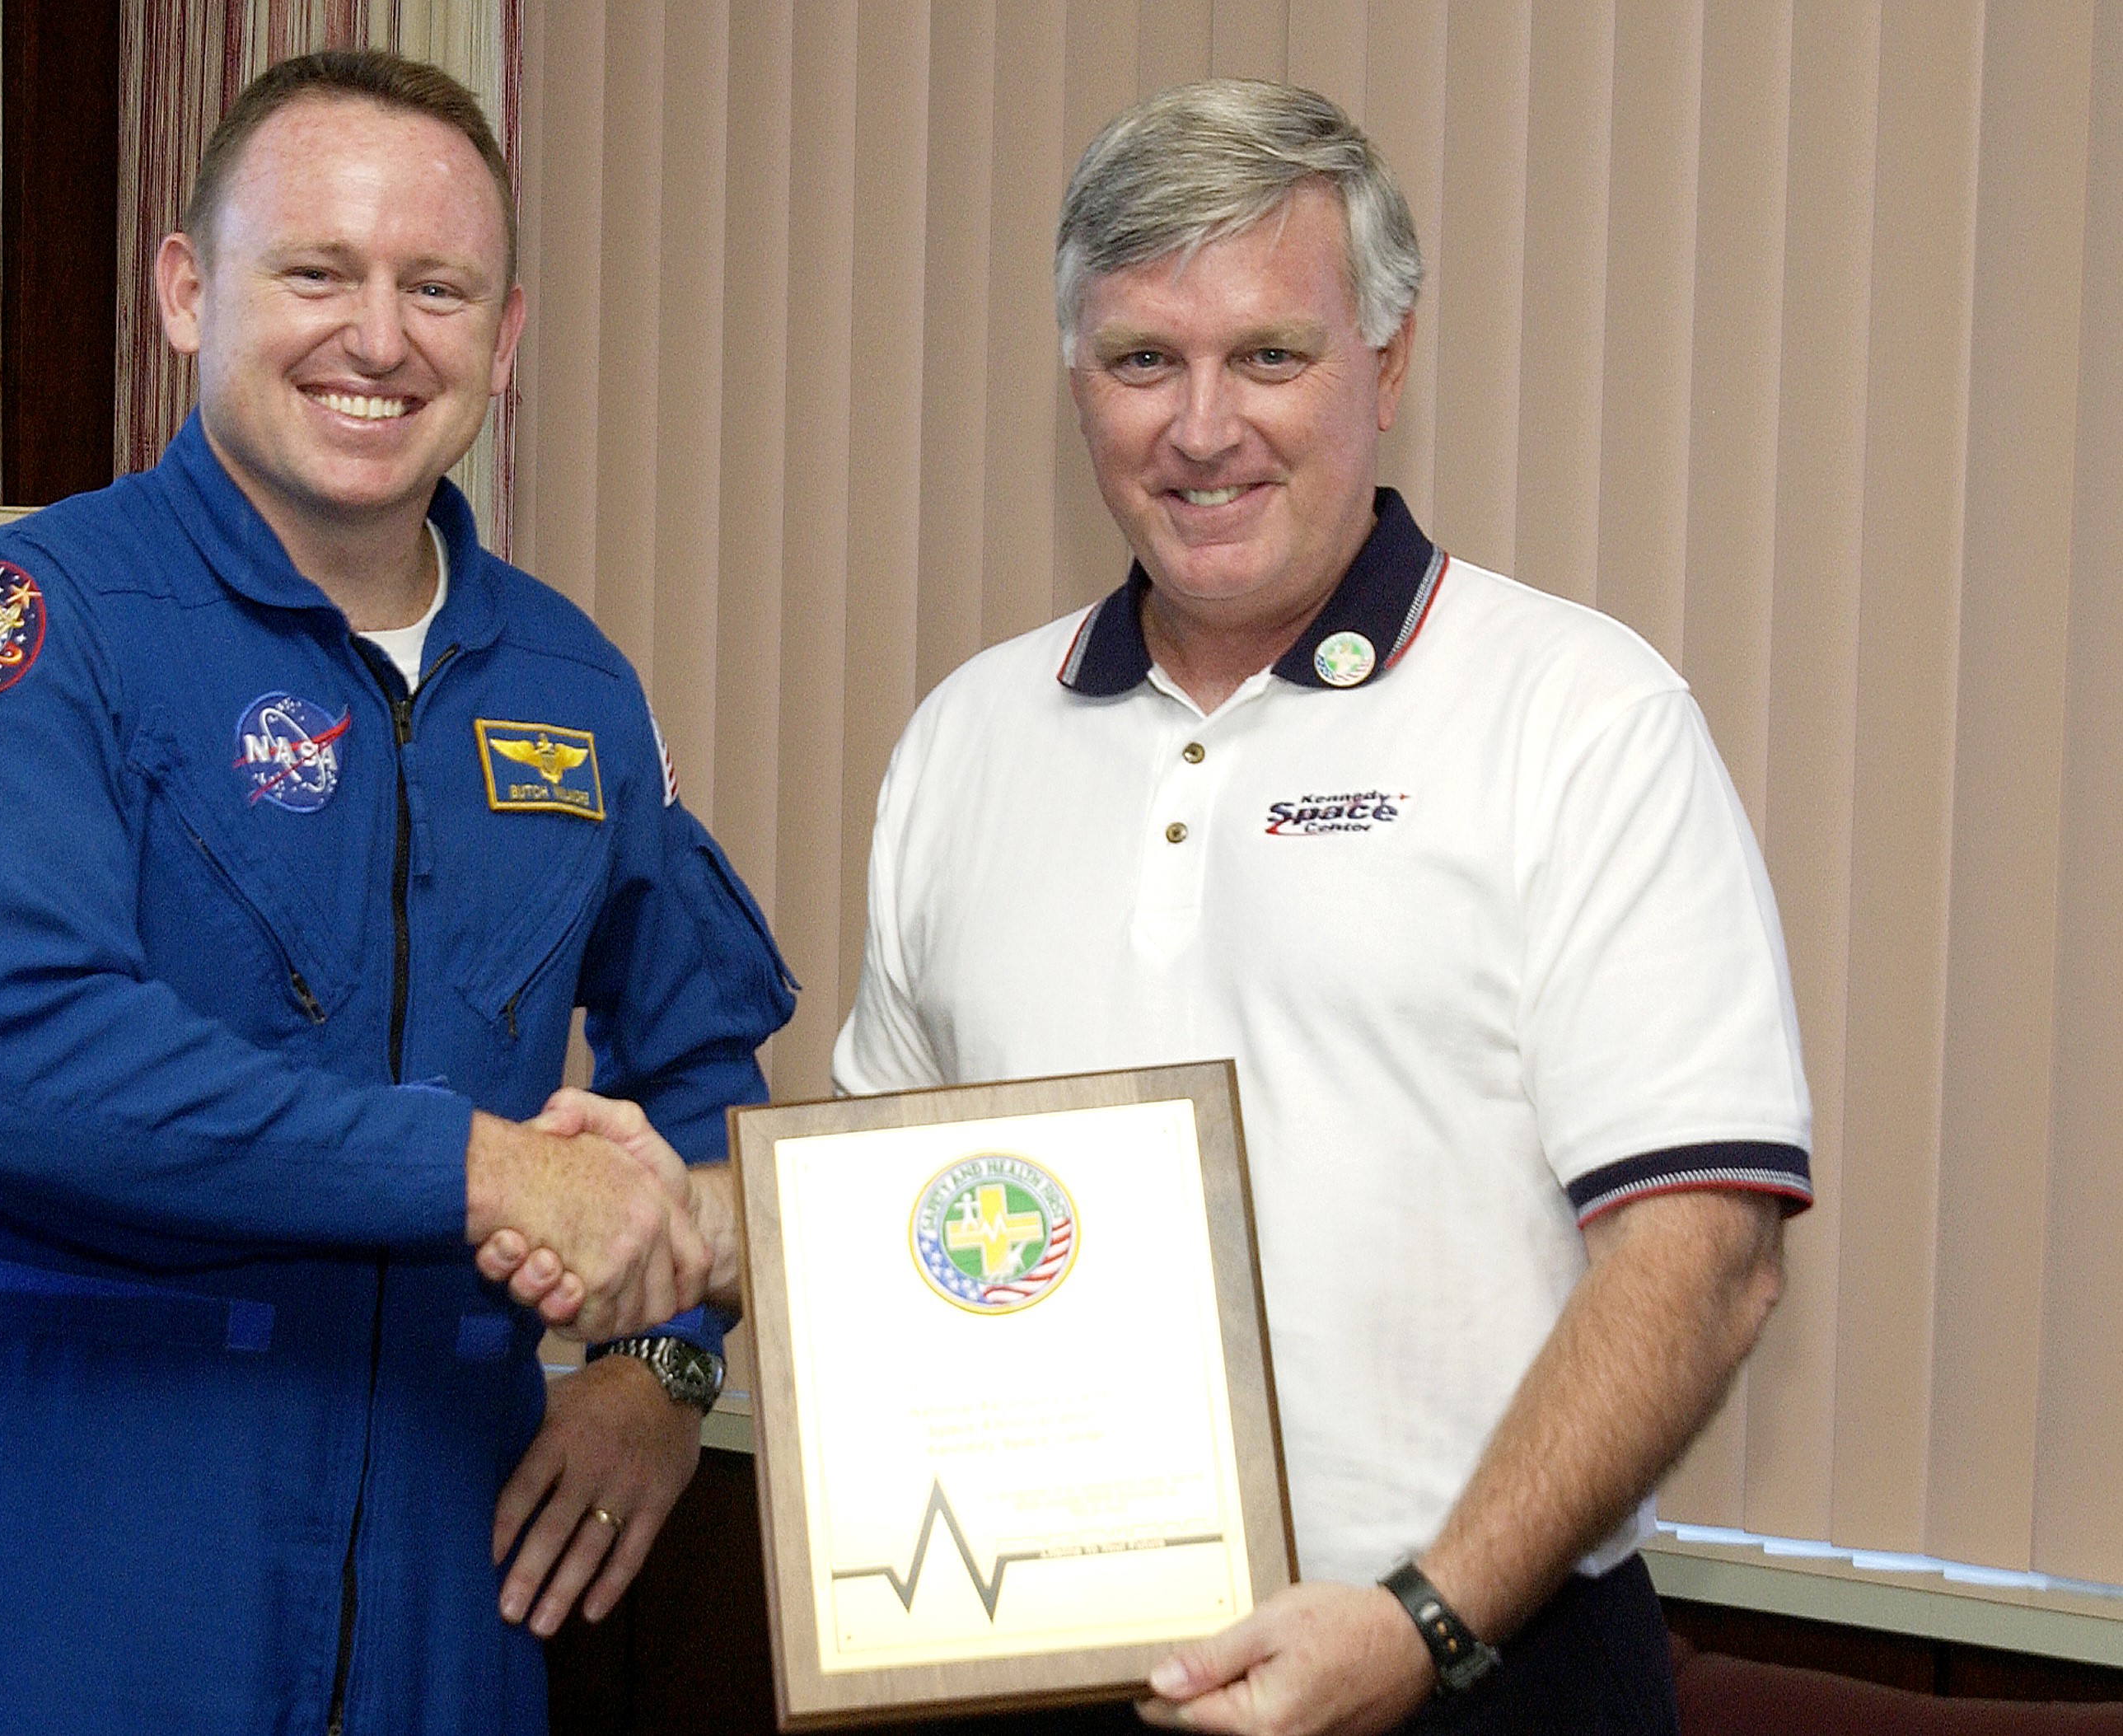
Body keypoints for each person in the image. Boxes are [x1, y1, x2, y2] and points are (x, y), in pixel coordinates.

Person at [498, 79, 1814, 1735]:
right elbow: (905, 1214)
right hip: (1036, 1669)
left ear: (1386, 364)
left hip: (1474, 1667)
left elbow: (1706, 1257)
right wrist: (685, 1233)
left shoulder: (1582, 719)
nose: (1204, 428)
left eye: (1269, 355)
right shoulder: (971, 736)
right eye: (1142, 361)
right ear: (1076, 381)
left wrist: (1428, 1620)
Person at [0, 50, 793, 1736]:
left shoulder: (573, 687)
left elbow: (705, 1065)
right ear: (186, 292)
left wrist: (663, 1371)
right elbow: (11, 1061)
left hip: (452, 1596)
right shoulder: (24, 629)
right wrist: (482, 1167)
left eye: (438, 288)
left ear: (504, 336)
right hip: (92, 1597)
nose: (379, 336)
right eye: (316, 272)